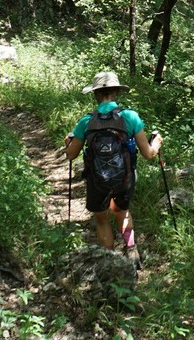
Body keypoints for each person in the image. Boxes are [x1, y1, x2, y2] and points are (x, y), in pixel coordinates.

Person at [64, 71, 163, 251]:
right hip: (125, 177)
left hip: (96, 179)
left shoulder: (86, 121)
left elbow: (71, 155)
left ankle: (109, 260)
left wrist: (68, 143)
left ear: (95, 94)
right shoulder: (130, 117)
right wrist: (156, 143)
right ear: (117, 92)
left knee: (101, 219)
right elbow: (148, 154)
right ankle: (131, 250)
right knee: (121, 211)